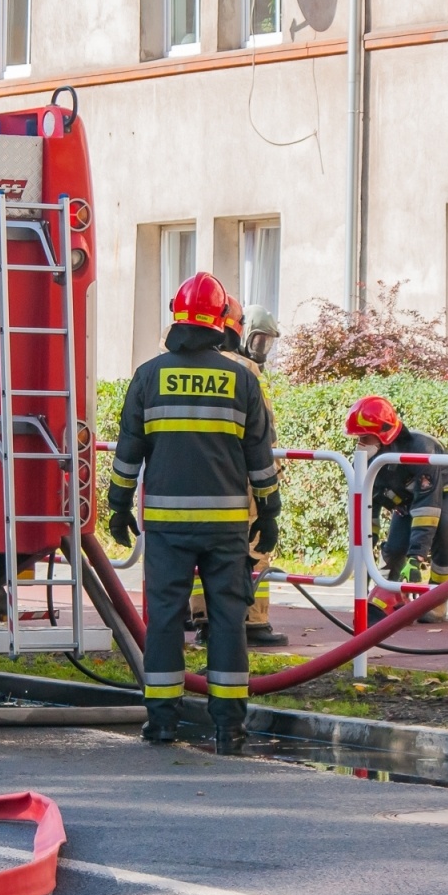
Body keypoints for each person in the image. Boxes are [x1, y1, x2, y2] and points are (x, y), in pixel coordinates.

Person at [107, 273, 280, 754]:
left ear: (176, 317)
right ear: (222, 321)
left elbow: (128, 453)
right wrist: (269, 513)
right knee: (227, 621)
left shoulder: (148, 375)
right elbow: (259, 457)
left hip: (166, 526)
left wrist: (117, 505)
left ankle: (162, 723)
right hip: (226, 528)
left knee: (164, 619)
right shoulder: (243, 378)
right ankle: (230, 728)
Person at [192, 298, 288, 647]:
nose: (261, 348)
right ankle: (253, 621)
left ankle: (204, 619)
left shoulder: (193, 363)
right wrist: (271, 479)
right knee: (255, 545)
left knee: (203, 550)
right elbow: (263, 430)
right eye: (259, 339)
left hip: (201, 478)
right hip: (245, 478)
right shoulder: (247, 371)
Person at [343, 394, 448, 623]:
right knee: (393, 549)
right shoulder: (366, 463)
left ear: (382, 435)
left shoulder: (419, 449)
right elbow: (366, 514)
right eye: (357, 438)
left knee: (444, 525)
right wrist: (363, 559)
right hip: (409, 499)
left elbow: (427, 507)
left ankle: (437, 597)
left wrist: (416, 557)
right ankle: (388, 598)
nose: (359, 444)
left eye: (365, 438)